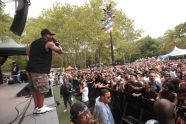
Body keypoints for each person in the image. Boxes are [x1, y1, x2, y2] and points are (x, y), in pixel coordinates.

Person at [26, 29, 63, 114]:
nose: (52, 37)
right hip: (40, 70)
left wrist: (36, 57)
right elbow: (60, 51)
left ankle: (37, 107)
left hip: (30, 68)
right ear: (46, 35)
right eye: (51, 35)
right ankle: (41, 108)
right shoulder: (49, 43)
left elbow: (27, 52)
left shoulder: (33, 43)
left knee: (35, 90)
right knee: (41, 89)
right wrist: (57, 42)